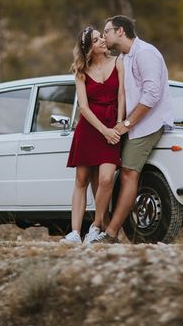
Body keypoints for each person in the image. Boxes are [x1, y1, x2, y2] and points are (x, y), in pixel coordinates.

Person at [91, 15, 173, 244]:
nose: (104, 36)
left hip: (147, 124)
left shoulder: (146, 53)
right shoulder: (126, 57)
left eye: (106, 31)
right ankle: (101, 225)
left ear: (120, 32)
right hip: (130, 126)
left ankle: (111, 233)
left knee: (128, 174)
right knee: (102, 172)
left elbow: (152, 94)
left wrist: (127, 124)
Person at [61, 26, 125, 244]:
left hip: (112, 128)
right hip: (90, 128)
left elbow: (122, 94)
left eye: (101, 37)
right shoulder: (80, 71)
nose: (102, 41)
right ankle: (74, 233)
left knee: (107, 178)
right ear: (89, 48)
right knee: (81, 179)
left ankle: (96, 226)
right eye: (97, 40)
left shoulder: (118, 62)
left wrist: (118, 125)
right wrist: (104, 130)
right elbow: (83, 108)